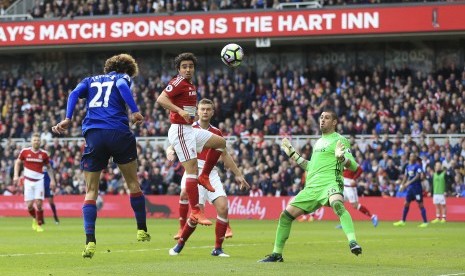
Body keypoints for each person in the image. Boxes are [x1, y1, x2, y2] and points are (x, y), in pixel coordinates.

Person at [51, 53, 151, 259]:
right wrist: (134, 111)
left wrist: (68, 118)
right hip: (118, 132)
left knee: (91, 191)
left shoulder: (89, 80)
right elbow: (123, 88)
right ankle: (141, 229)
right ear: (128, 70)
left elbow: (72, 94)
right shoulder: (122, 78)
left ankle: (90, 241)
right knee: (133, 183)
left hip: (94, 134)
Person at [259, 109, 362, 263]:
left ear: (334, 122)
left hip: (330, 182)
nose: (322, 120)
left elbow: (354, 166)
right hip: (311, 187)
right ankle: (277, 254)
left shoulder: (340, 140)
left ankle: (353, 241)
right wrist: (293, 154)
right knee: (285, 216)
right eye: (321, 117)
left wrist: (342, 159)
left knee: (337, 205)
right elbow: (310, 167)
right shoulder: (318, 142)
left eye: (327, 118)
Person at [167, 98, 250, 257]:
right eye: (202, 109)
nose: (205, 112)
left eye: (208, 109)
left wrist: (238, 175)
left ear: (212, 112)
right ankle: (180, 244)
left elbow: (225, 155)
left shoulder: (217, 133)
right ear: (197, 111)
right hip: (193, 170)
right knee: (195, 215)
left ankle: (217, 249)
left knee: (223, 207)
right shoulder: (188, 128)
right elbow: (174, 142)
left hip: (210, 173)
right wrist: (169, 150)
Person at [156, 53, 227, 226]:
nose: (188, 69)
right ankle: (196, 210)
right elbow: (161, 99)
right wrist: (179, 111)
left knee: (220, 142)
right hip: (180, 130)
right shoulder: (178, 81)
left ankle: (204, 177)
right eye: (184, 66)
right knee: (191, 171)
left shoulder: (189, 84)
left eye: (190, 66)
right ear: (179, 69)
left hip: (189, 129)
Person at [13, 133, 56, 232]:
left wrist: (52, 180)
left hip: (39, 181)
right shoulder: (25, 152)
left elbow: (49, 168)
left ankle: (39, 224)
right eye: (34, 140)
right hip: (27, 181)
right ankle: (35, 219)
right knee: (29, 205)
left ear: (40, 142)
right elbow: (18, 163)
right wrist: (16, 175)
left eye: (38, 140)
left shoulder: (44, 154)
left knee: (39, 204)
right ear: (31, 141)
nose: (36, 142)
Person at [393, 153, 428, 227]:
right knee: (406, 203)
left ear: (415, 158)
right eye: (411, 156)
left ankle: (425, 222)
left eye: (413, 156)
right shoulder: (408, 167)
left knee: (420, 204)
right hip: (410, 189)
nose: (411, 157)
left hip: (417, 188)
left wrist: (408, 183)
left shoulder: (418, 166)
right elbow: (405, 176)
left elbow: (417, 176)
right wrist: (402, 185)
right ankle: (403, 221)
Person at [43, 160, 60, 224]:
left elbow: (54, 172)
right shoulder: (39, 161)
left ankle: (55, 216)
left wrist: (54, 182)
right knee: (39, 202)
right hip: (40, 185)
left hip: (49, 185)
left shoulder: (51, 162)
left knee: (51, 202)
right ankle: (41, 218)